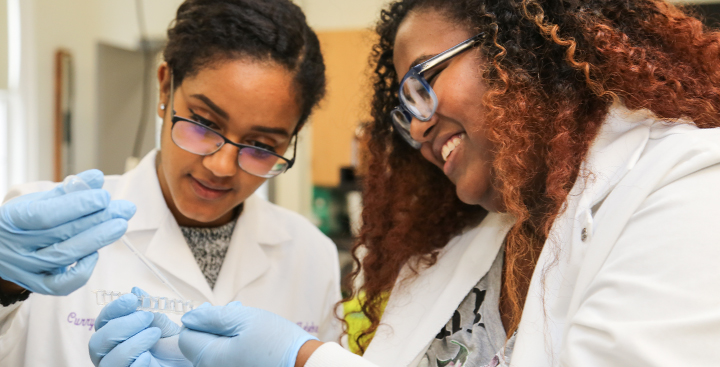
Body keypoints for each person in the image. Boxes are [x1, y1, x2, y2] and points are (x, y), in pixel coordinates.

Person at [88, 0, 720, 366]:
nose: (416, 128)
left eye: (424, 78)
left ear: (521, 48)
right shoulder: (469, 247)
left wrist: (301, 361)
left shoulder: (684, 187)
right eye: (402, 104)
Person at [0, 0, 342, 366]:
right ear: (165, 89)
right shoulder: (40, 231)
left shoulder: (311, 255)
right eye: (205, 123)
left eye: (261, 146)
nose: (222, 166)